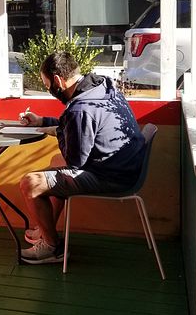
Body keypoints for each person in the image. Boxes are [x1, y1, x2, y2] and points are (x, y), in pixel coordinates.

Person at [18, 51, 146, 265]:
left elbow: (74, 162)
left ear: (58, 80)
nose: (50, 90)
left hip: (111, 176)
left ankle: (52, 248)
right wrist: (42, 121)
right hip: (126, 166)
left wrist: (57, 132)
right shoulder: (102, 87)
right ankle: (46, 230)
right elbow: (79, 126)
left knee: (29, 184)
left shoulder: (79, 109)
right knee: (55, 163)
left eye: (47, 85)